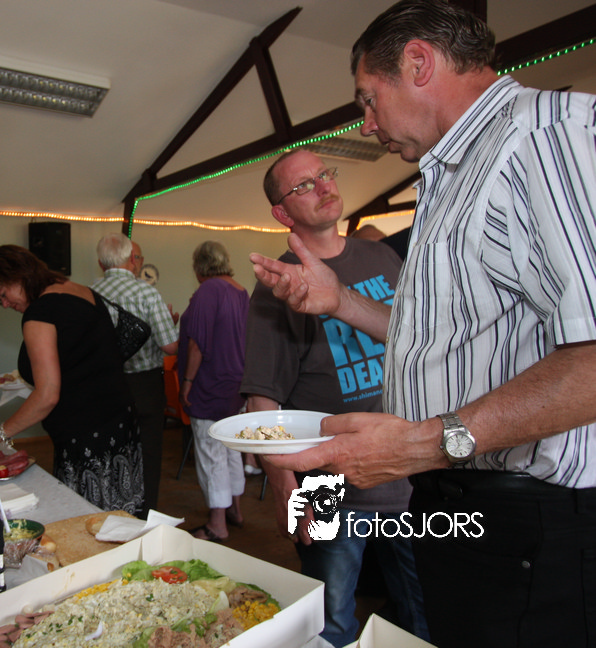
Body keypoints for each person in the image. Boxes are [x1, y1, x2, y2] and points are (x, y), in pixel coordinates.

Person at [251, 1, 596, 645]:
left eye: (368, 98)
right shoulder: (455, 172)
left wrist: (427, 444)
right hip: (448, 490)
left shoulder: (541, 139)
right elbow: (445, 340)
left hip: (527, 513)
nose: (366, 122)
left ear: (418, 63)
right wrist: (341, 303)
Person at [242, 149, 427, 647]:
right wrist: (282, 482)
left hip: (406, 465)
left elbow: (418, 343)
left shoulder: (381, 256)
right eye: (303, 185)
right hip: (326, 484)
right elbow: (263, 399)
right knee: (331, 621)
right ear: (282, 213)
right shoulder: (277, 285)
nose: (323, 186)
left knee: (422, 606)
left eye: (325, 174)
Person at [0, 244, 145, 515]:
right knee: (122, 514)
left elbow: (47, 395)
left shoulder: (40, 313)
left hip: (86, 435)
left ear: (18, 276)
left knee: (87, 520)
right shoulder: (81, 291)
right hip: (120, 421)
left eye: (3, 294)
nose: (5, 304)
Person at [91, 233, 178, 512]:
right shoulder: (146, 292)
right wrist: (173, 326)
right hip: (144, 386)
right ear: (131, 258)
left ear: (101, 263)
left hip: (104, 385)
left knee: (110, 450)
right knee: (148, 452)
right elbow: (170, 346)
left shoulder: (88, 292)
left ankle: (111, 509)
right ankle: (144, 512)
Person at [177, 241, 250, 542]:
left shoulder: (208, 290)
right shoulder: (239, 290)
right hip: (236, 383)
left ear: (200, 266)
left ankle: (216, 523)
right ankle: (235, 510)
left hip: (210, 382)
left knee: (211, 452)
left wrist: (187, 382)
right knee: (231, 448)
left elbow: (197, 343)